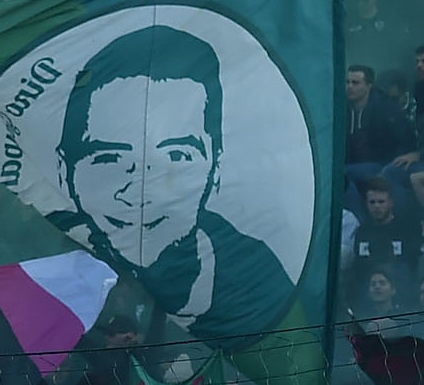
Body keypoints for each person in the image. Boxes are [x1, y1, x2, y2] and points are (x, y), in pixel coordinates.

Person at [54, 24, 294, 342]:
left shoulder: (261, 280)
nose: (140, 192)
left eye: (177, 156)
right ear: (63, 170)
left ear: (217, 165)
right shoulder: (50, 283)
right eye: (109, 158)